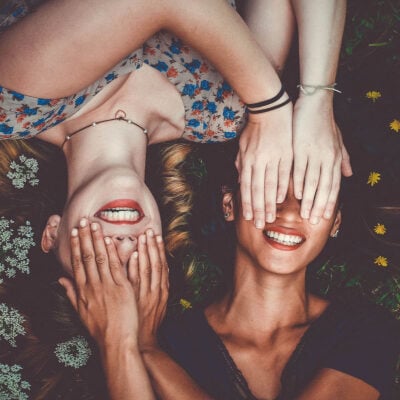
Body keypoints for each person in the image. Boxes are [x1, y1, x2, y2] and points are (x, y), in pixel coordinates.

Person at [0, 0, 352, 276]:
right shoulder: (218, 114)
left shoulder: (15, 105)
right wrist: (318, 100)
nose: (123, 245)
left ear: (52, 234)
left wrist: (272, 107)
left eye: (97, 261)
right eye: (140, 266)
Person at [59, 142, 399, 400]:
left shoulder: (368, 331)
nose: (291, 212)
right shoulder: (174, 341)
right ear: (229, 204)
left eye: (314, 196)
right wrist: (130, 345)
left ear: (336, 221)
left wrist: (138, 349)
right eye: (270, 186)